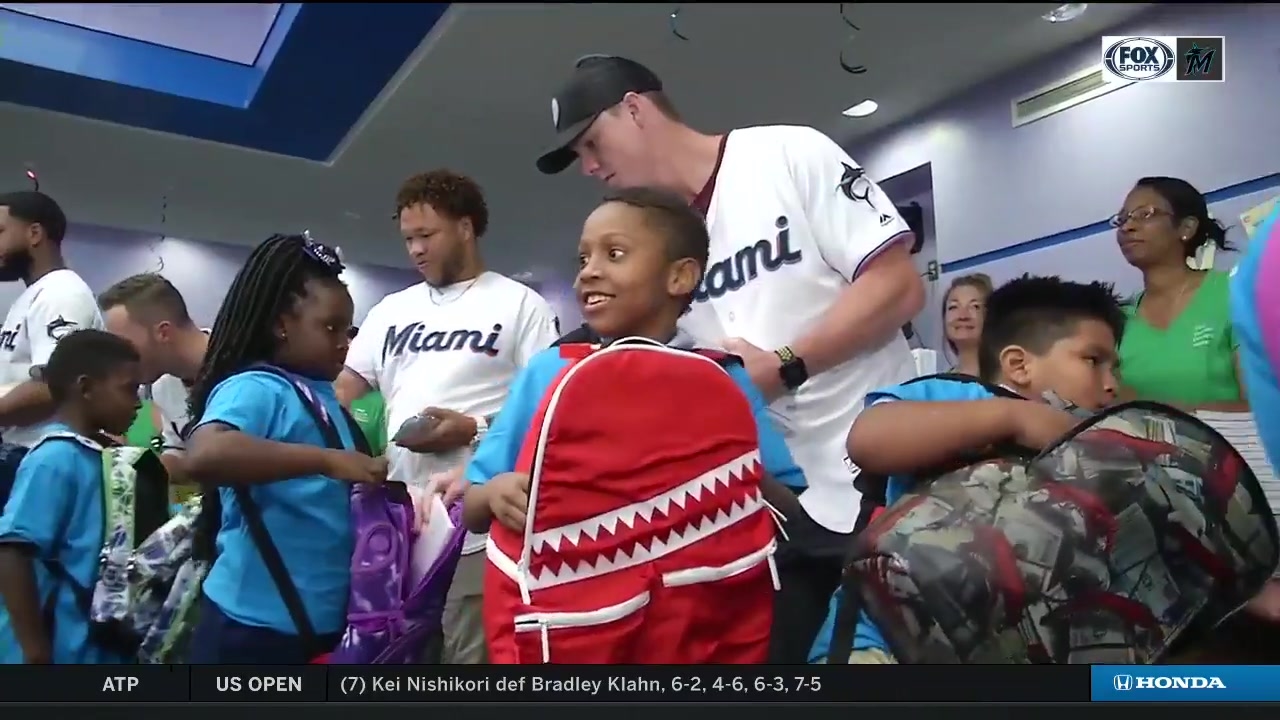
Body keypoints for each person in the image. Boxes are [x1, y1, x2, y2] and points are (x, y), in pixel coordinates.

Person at [535, 55, 926, 661]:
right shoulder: (657, 248)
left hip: (881, 482)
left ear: (635, 110)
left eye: (592, 142)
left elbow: (898, 285)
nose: (590, 166)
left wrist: (788, 363)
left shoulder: (786, 154)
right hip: (772, 507)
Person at [814, 274, 1124, 663]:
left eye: (1115, 367)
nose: (1111, 384)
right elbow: (868, 439)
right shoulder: (958, 396)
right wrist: (1016, 418)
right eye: (1093, 361)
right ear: (1018, 365)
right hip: (884, 636)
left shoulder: (1095, 451)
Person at [462, 187, 805, 533]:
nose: (588, 272)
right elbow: (472, 506)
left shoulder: (721, 377)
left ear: (680, 277)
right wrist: (495, 492)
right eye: (583, 259)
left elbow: (789, 509)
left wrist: (723, 455)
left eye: (614, 254)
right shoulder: (548, 371)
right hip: (572, 579)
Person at [335, 170, 560, 665]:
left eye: (427, 236)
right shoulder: (391, 311)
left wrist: (471, 430)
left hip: (476, 523)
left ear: (465, 227)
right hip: (398, 523)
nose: (415, 250)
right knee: (395, 653)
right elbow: (342, 394)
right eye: (408, 239)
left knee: (467, 658)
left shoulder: (521, 305)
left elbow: (549, 409)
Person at [183, 234, 387, 664]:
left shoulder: (326, 399)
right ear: (282, 324)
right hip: (251, 630)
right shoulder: (256, 388)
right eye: (329, 327)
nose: (344, 341)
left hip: (317, 627)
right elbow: (204, 455)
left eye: (348, 329)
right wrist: (327, 461)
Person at [0, 329, 144, 663]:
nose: (138, 402)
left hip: (98, 648)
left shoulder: (98, 455)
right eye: (129, 389)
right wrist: (35, 650)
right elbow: (11, 551)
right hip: (64, 650)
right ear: (86, 388)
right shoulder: (54, 459)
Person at [0, 192, 103, 503]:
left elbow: (54, 385)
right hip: (22, 453)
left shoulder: (61, 292)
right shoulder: (34, 296)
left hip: (40, 458)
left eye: (0, 232)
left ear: (34, 233)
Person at [1114, 176, 1244, 410]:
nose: (1127, 226)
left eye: (1145, 214)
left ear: (1186, 227)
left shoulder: (1235, 293)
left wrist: (1158, 418)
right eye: (1122, 218)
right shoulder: (1116, 320)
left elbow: (1265, 408)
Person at [98, 273, 210, 479]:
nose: (120, 359)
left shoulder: (245, 372)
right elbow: (178, 452)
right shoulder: (163, 387)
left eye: (124, 344)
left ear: (163, 333)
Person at [941, 273, 993, 376]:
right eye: (953, 307)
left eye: (975, 306)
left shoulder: (1008, 382)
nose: (962, 316)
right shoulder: (939, 386)